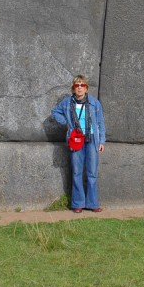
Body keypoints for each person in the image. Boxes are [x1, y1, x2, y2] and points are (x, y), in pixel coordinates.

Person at [51, 75, 106, 213]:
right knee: (76, 172)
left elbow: (100, 123)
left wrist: (102, 141)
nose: (79, 87)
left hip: (92, 138)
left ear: (86, 88)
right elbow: (55, 112)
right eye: (77, 85)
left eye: (82, 85)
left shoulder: (94, 103)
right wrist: (67, 124)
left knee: (92, 172)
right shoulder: (66, 103)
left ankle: (92, 203)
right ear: (73, 88)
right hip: (76, 138)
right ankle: (78, 203)